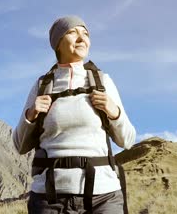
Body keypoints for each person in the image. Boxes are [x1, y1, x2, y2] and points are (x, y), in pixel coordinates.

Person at [12, 15, 136, 214]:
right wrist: (31, 114)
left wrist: (114, 112)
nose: (82, 38)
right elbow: (20, 145)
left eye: (85, 33)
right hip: (49, 199)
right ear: (57, 43)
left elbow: (127, 140)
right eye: (72, 32)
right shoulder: (42, 85)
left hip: (104, 197)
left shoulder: (102, 81)